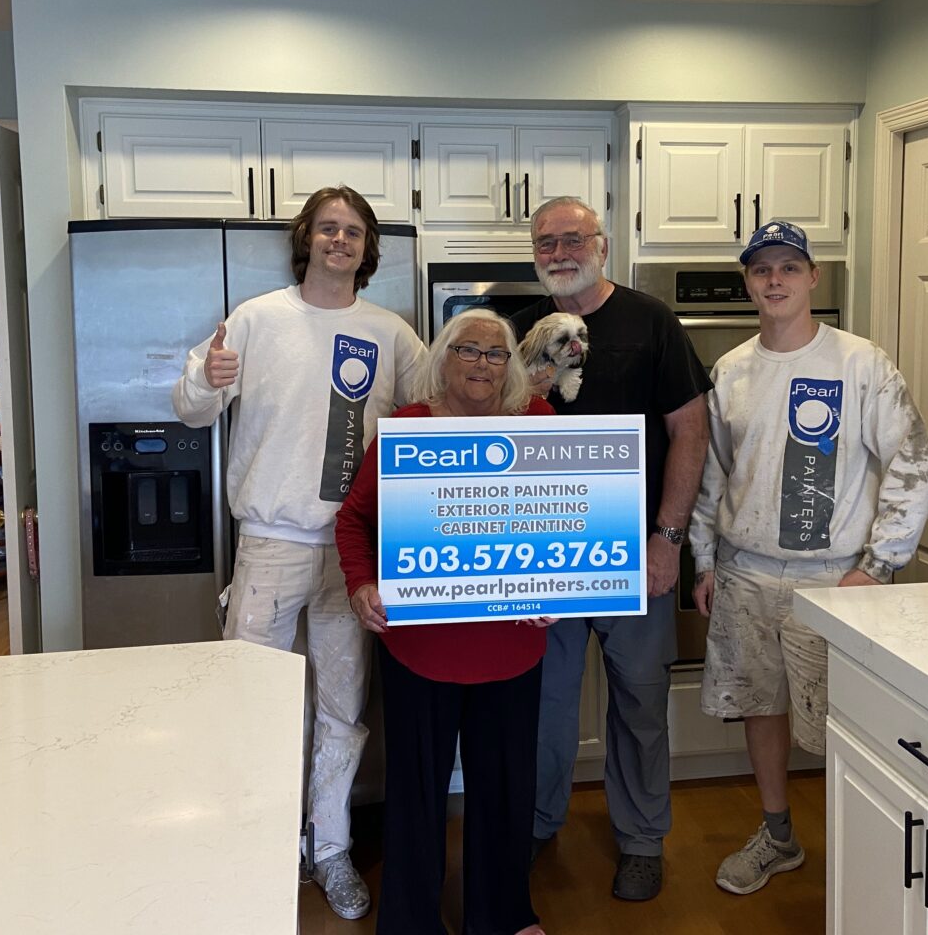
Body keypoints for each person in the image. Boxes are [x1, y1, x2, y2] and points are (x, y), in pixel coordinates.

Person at [171, 185, 426, 921]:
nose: (339, 240)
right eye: (327, 229)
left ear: (366, 249)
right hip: (271, 546)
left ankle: (331, 849)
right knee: (254, 703)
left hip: (355, 554)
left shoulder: (390, 333)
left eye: (352, 231)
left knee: (343, 709)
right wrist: (204, 380)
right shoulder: (255, 319)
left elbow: (430, 414)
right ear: (306, 240)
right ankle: (261, 845)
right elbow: (189, 408)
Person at [689, 220, 928, 896]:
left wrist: (879, 565)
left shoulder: (860, 365)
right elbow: (712, 474)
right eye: (762, 269)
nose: (775, 280)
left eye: (788, 268)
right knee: (763, 708)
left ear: (812, 279)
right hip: (746, 572)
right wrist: (705, 560)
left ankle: (863, 850)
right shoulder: (732, 371)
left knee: (848, 722)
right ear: (748, 281)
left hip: (837, 579)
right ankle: (778, 835)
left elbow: (915, 464)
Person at [511, 197, 711, 902]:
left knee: (638, 700)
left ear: (600, 243)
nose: (559, 251)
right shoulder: (518, 331)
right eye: (546, 241)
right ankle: (535, 824)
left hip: (635, 552)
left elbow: (690, 431)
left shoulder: (649, 320)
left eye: (573, 238)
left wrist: (667, 542)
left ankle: (641, 839)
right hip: (542, 554)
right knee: (543, 703)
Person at [336, 309, 554, 935]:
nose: (482, 364)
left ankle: (504, 916)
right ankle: (409, 921)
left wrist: (563, 586)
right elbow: (353, 520)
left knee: (505, 792)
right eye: (468, 350)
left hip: (513, 644)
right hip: (420, 647)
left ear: (510, 365)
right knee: (416, 792)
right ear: (442, 359)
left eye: (495, 353)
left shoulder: (538, 423)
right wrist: (360, 584)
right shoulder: (407, 429)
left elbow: (571, 521)